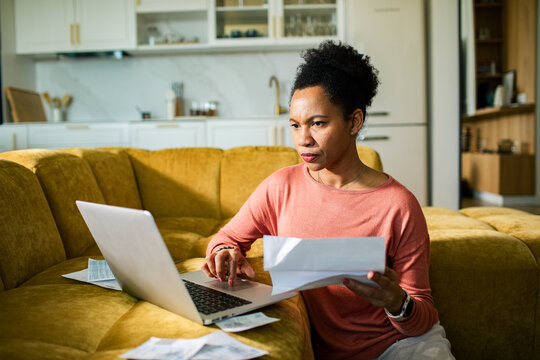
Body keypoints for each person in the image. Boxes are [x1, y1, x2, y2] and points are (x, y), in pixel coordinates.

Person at [202, 41, 454, 360]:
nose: (303, 139)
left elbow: (421, 320)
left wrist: (396, 301)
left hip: (400, 347)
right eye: (295, 125)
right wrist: (224, 251)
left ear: (354, 122)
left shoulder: (399, 205)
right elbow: (228, 238)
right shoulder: (280, 187)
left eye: (318, 123)